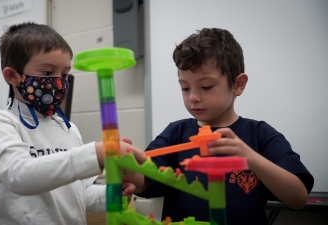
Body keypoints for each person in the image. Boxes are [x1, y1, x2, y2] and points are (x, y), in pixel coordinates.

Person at [131, 28, 314, 225]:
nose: (193, 97)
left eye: (207, 86)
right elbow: (146, 179)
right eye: (185, 88)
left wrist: (251, 158)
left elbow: (298, 198)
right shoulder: (175, 133)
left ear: (238, 84)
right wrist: (130, 172)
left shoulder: (261, 135)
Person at [0, 22, 146, 225]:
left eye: (64, 74)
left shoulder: (67, 128)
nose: (59, 83)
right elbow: (19, 176)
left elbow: (78, 192)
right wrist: (97, 153)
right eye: (48, 73)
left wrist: (111, 195)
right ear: (13, 76)